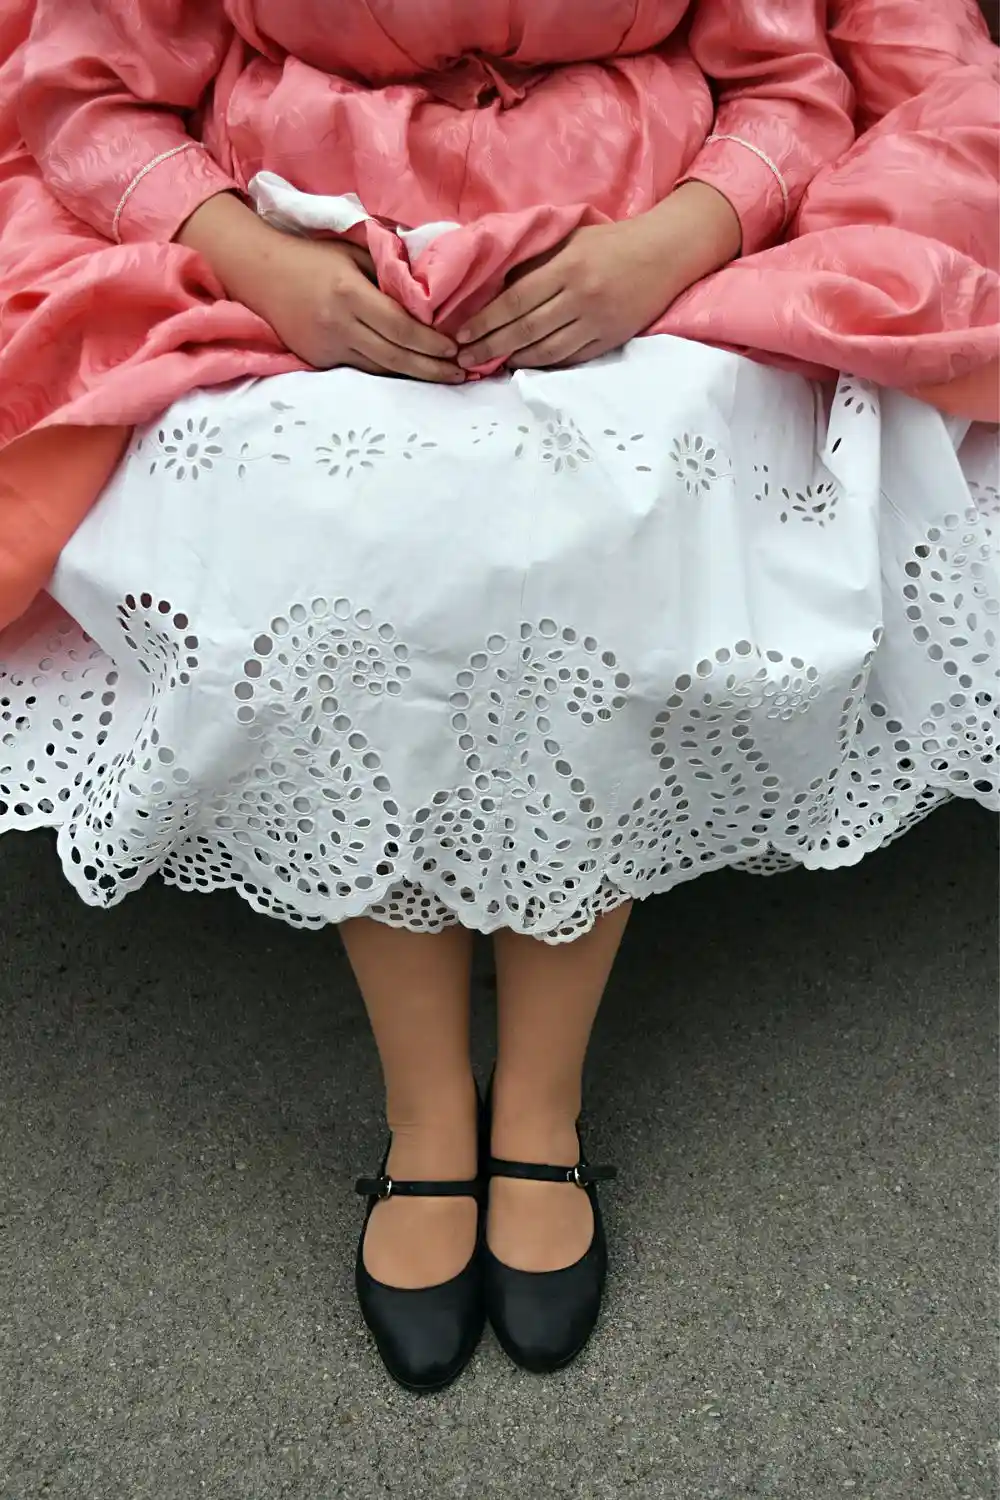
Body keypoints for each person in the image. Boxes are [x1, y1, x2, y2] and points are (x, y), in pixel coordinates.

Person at [0, 1, 996, 1393]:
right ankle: (427, 1118)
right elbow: (86, 93)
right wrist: (258, 265)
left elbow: (791, 78)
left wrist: (670, 247)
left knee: (602, 554)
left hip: (636, 256)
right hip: (296, 264)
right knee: (332, 568)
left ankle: (538, 1102)